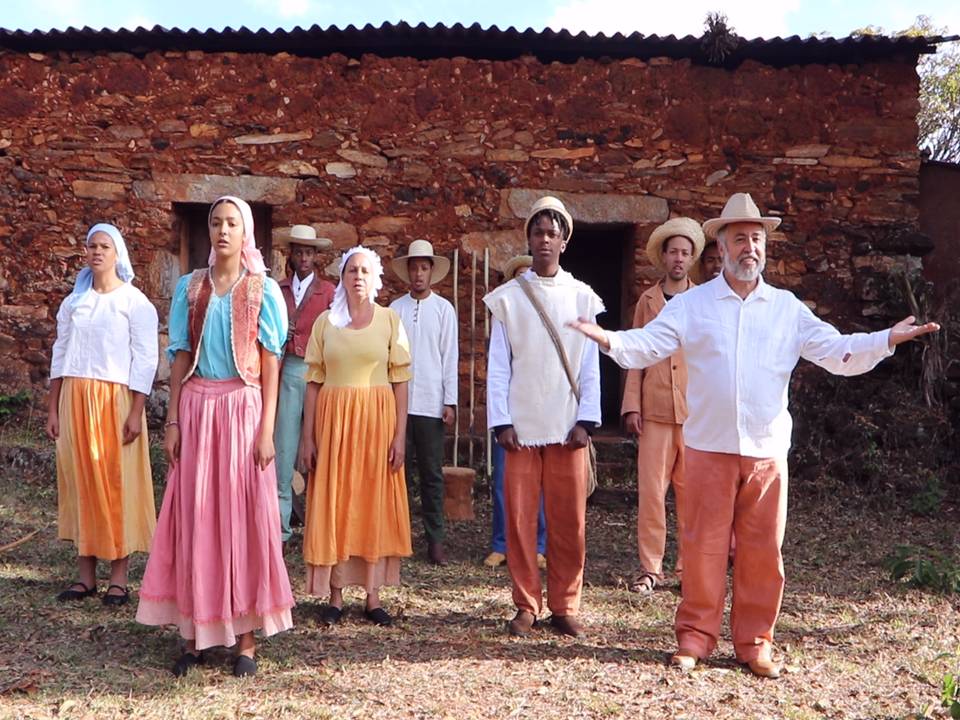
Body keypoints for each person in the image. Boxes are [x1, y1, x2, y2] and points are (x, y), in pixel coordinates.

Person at [567, 192, 939, 677]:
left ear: (766, 247)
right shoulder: (693, 304)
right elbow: (648, 344)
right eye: (740, 238)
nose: (750, 248)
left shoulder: (786, 308)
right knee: (702, 548)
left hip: (766, 452)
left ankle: (755, 641)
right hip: (707, 448)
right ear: (721, 247)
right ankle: (695, 638)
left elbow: (836, 351)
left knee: (763, 552)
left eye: (757, 239)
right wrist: (610, 340)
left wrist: (885, 339)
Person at [136, 196, 294, 678]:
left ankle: (246, 639)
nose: (223, 231)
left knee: (244, 520)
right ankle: (193, 634)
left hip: (243, 409)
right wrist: (173, 421)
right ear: (208, 231)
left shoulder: (262, 289)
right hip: (198, 409)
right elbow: (181, 355)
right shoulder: (190, 287)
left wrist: (267, 430)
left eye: (232, 223)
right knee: (196, 517)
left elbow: (271, 362)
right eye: (216, 223)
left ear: (246, 233)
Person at [484, 196, 603, 639]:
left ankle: (565, 604)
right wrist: (502, 422)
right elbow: (499, 366)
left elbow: (590, 364)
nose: (545, 240)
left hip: (567, 425)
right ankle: (526, 604)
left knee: (569, 521)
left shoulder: (582, 297)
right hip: (522, 427)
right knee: (519, 520)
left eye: (553, 233)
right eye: (538, 232)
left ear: (564, 241)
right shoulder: (508, 300)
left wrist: (587, 420)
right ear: (529, 239)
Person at [298, 246, 413, 627]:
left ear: (375, 278)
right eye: (351, 271)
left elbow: (400, 381)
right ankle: (335, 593)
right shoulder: (326, 322)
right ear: (342, 278)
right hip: (334, 426)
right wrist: (307, 437)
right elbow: (313, 382)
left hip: (376, 425)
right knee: (336, 501)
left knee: (370, 502)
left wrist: (400, 436)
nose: (358, 277)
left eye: (364, 271)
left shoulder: (389, 320)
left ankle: (372, 594)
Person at [47, 223, 159, 606]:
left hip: (115, 400)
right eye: (92, 246)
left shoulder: (134, 302)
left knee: (114, 482)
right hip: (75, 397)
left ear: (117, 254)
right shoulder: (74, 303)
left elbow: (145, 359)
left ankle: (119, 579)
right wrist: (53, 407)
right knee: (81, 480)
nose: (97, 252)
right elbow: (60, 354)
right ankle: (85, 578)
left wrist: (136, 410)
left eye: (104, 246)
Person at [621, 218, 703, 595]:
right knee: (652, 493)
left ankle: (689, 568)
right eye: (673, 252)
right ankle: (650, 568)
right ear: (664, 257)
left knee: (691, 495)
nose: (679, 259)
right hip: (654, 409)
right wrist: (631, 405)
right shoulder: (648, 301)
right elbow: (637, 352)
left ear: (692, 258)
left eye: (685, 253)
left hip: (694, 412)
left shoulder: (703, 300)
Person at [389, 240, 458, 565]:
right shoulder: (395, 310)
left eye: (424, 267)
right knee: (396, 473)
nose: (419, 274)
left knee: (431, 475)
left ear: (431, 271)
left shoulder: (444, 310)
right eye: (414, 268)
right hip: (398, 404)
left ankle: (435, 540)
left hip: (431, 403)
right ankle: (397, 537)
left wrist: (450, 401)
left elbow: (450, 356)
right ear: (408, 272)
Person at [484, 254, 547, 571]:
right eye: (518, 277)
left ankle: (539, 545)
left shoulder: (547, 318)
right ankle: (501, 543)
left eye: (529, 276)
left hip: (540, 410)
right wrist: (500, 417)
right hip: (510, 411)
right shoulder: (504, 318)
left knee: (539, 481)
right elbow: (497, 370)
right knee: (503, 480)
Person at [275, 225, 335, 549]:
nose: (304, 258)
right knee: (284, 449)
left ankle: (318, 529)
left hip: (318, 374)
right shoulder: (279, 289)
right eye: (299, 252)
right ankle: (281, 529)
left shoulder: (328, 292)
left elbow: (336, 332)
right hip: (287, 369)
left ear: (316, 256)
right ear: (292, 255)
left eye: (309, 252)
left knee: (319, 449)